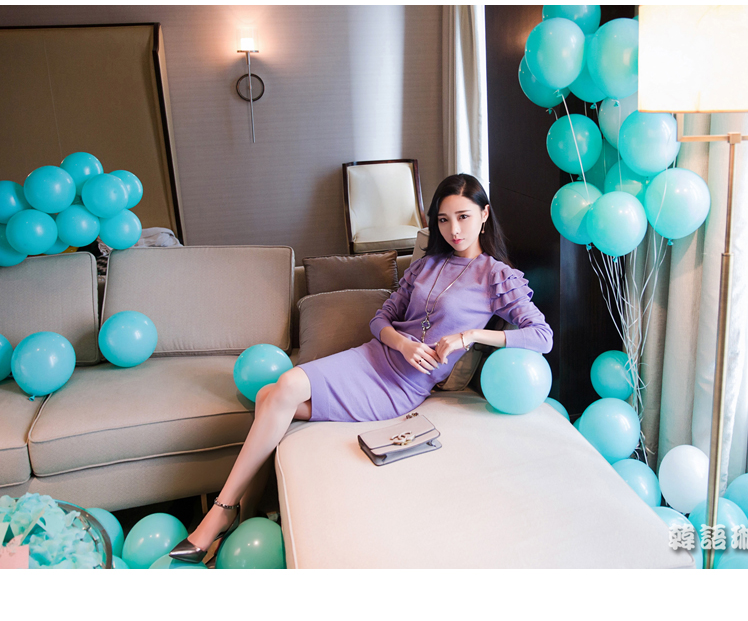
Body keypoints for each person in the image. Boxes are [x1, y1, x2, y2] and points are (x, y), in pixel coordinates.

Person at [169, 173, 553, 562]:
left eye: (464, 217)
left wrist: (469, 336)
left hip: (401, 387)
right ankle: (239, 510)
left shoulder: (496, 277)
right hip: (373, 356)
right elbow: (380, 319)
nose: (454, 230)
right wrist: (402, 342)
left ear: (484, 215)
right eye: (443, 219)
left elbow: (542, 336)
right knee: (271, 394)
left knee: (279, 391)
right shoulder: (426, 266)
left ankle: (222, 513)